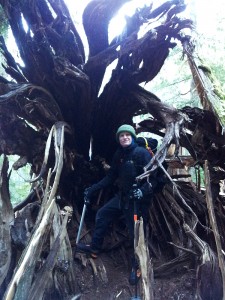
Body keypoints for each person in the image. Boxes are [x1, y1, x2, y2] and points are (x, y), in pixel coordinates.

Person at [77, 124, 158, 284]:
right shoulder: (119, 155)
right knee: (103, 214)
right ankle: (95, 248)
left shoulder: (141, 153)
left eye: (128, 135)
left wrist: (142, 192)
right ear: (118, 139)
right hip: (122, 198)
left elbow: (154, 178)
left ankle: (138, 266)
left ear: (133, 137)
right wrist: (93, 189)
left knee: (135, 234)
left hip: (137, 202)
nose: (125, 137)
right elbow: (111, 177)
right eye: (122, 135)